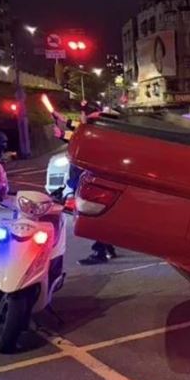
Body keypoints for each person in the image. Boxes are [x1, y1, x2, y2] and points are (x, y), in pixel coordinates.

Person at [52, 102, 118, 265]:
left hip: (90, 185)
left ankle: (100, 251)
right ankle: (107, 247)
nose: (83, 119)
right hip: (87, 183)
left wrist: (61, 133)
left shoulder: (95, 135)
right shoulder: (96, 131)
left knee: (92, 218)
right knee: (97, 217)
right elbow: (78, 129)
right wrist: (61, 121)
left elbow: (78, 135)